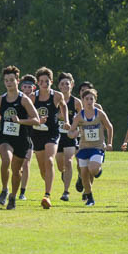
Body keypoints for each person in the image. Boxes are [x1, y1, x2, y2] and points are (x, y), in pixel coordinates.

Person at [0, 66, 41, 210]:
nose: (8, 83)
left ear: (17, 81)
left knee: (16, 172)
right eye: (6, 80)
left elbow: (36, 120)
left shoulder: (24, 100)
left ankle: (13, 196)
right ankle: (4, 189)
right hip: (5, 137)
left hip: (21, 139)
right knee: (6, 160)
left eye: (11, 80)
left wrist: (20, 121)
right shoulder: (0, 99)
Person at [67, 86, 113, 207]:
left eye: (91, 99)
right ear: (82, 100)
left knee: (92, 169)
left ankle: (98, 170)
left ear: (95, 100)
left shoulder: (99, 114)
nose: (89, 101)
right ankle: (90, 198)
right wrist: (74, 133)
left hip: (97, 147)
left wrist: (109, 143)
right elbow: (70, 132)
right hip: (83, 148)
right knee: (84, 174)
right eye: (87, 99)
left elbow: (109, 127)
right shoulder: (79, 116)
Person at [29, 68, 68, 209]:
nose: (44, 84)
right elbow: (28, 113)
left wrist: (67, 120)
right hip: (37, 134)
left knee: (50, 160)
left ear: (51, 82)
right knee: (42, 169)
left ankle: (47, 195)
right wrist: (36, 120)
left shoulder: (57, 96)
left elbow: (64, 107)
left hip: (52, 132)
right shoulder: (33, 97)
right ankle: (48, 181)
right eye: (41, 82)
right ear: (38, 84)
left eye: (47, 81)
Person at [55, 72, 80, 202]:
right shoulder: (54, 99)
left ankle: (66, 192)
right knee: (60, 165)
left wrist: (77, 132)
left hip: (70, 136)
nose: (65, 86)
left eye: (67, 83)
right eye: (62, 84)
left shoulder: (76, 103)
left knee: (69, 161)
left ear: (72, 85)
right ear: (59, 86)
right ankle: (64, 174)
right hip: (56, 136)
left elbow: (83, 119)